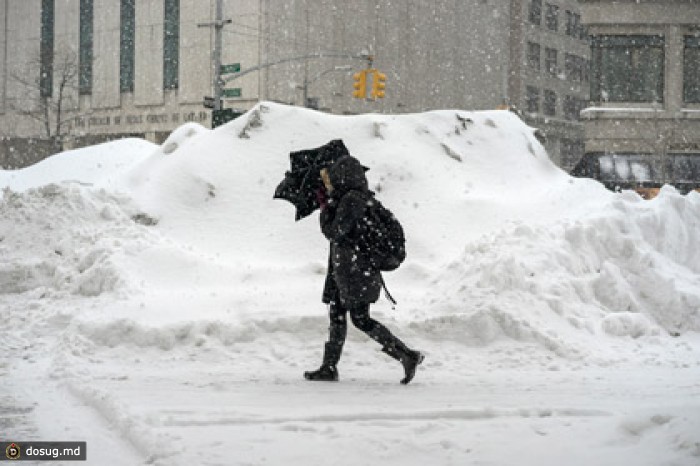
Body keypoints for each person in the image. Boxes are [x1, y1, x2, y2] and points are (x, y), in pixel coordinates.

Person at [304, 155, 424, 384]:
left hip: (355, 271)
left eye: (332, 178)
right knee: (337, 315)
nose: (329, 183)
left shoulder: (352, 200)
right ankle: (329, 367)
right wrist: (330, 202)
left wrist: (325, 208)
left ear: (343, 177)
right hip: (349, 269)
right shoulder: (353, 198)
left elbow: (334, 232)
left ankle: (407, 355)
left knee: (360, 319)